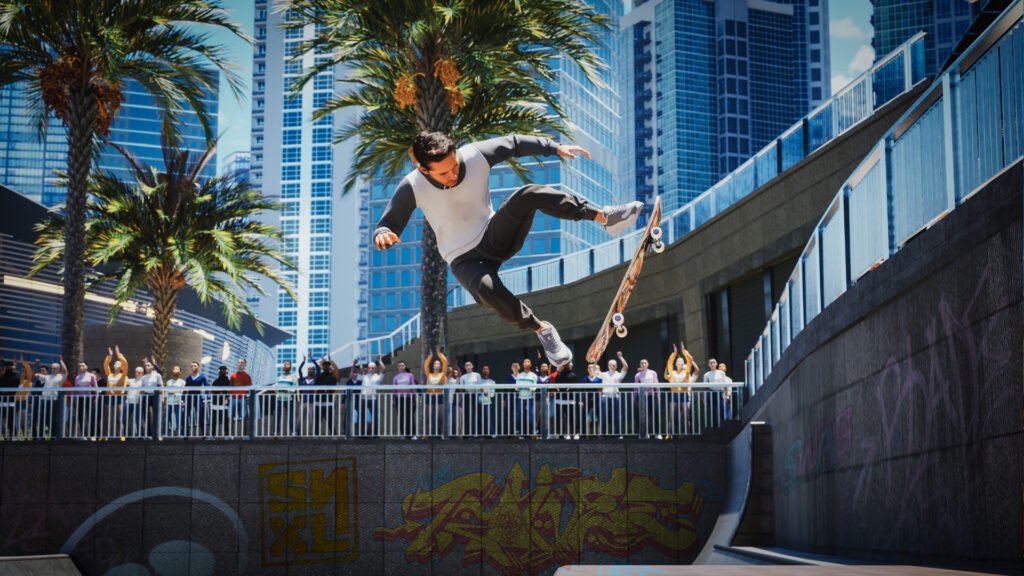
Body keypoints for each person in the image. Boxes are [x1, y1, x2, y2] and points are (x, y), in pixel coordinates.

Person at [373, 132, 644, 370]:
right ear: (423, 170)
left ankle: (606, 218)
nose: (454, 175)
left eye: (455, 166)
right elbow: (387, 223)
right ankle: (542, 329)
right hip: (463, 260)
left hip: (494, 235)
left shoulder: (475, 155)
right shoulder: (412, 186)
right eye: (444, 173)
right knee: (486, 289)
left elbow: (513, 143)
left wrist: (553, 147)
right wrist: (383, 235)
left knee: (528, 194)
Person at [665, 342, 699, 436]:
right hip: (674, 395)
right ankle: (669, 435)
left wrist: (684, 351)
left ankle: (688, 434)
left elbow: (689, 360)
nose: (679, 361)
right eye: (678, 361)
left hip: (684, 394)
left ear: (683, 363)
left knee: (686, 417)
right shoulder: (672, 372)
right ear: (676, 363)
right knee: (671, 417)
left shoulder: (687, 371)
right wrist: (675, 353)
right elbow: (669, 362)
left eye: (681, 361)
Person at [599, 352, 628, 438]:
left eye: (614, 365)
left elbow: (626, 367)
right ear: (608, 365)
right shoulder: (604, 374)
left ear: (616, 366)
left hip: (615, 396)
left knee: (617, 415)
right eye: (611, 365)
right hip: (605, 396)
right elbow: (594, 371)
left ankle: (618, 434)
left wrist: (620, 357)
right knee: (603, 415)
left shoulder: (619, 374)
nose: (612, 366)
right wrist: (596, 360)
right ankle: (603, 434)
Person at [103, 346, 129, 438]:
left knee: (119, 417)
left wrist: (118, 354)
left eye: (118, 363)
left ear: (121, 366)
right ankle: (104, 435)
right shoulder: (110, 374)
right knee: (106, 417)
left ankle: (121, 436)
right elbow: (106, 365)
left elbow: (125, 364)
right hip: (109, 397)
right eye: (115, 363)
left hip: (119, 397)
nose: (116, 364)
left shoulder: (123, 375)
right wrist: (110, 356)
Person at [422, 348, 448, 436]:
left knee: (440, 418)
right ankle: (425, 436)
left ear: (440, 366)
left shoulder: (443, 374)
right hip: (429, 396)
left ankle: (443, 435)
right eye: (435, 363)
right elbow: (425, 365)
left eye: (438, 363)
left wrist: (439, 354)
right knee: (427, 418)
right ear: (433, 366)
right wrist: (430, 356)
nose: (436, 364)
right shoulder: (429, 374)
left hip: (439, 395)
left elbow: (445, 363)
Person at [634, 358, 662, 438]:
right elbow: (635, 388)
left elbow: (657, 384)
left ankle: (657, 433)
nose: (643, 364)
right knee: (642, 415)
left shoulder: (653, 373)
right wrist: (635, 398)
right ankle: (644, 433)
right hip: (642, 397)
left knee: (655, 414)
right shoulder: (637, 375)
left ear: (647, 364)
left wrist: (658, 396)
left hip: (652, 395)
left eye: (645, 363)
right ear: (640, 365)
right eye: (642, 363)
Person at [391, 360, 418, 438]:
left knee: (409, 416)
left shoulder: (410, 375)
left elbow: (413, 386)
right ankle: (403, 434)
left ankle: (412, 434)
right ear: (398, 367)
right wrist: (394, 401)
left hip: (409, 398)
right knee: (401, 416)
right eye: (399, 366)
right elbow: (394, 390)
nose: (401, 367)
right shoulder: (395, 377)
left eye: (402, 365)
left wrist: (415, 398)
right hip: (399, 399)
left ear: (405, 366)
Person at [515, 358, 539, 438]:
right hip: (520, 398)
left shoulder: (534, 375)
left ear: (531, 364)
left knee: (531, 415)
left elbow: (534, 388)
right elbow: (516, 387)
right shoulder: (519, 375)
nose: (526, 363)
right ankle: (518, 431)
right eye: (525, 361)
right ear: (523, 364)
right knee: (519, 415)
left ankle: (535, 431)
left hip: (530, 398)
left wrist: (529, 388)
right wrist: (524, 387)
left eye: (528, 361)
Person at [184, 362, 209, 435]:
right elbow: (185, 390)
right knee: (186, 416)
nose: (193, 367)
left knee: (200, 416)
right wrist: (182, 399)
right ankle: (186, 435)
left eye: (194, 366)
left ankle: (204, 434)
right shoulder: (188, 378)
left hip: (198, 399)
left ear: (198, 367)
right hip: (189, 399)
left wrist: (206, 398)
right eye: (191, 366)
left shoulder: (202, 377)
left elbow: (207, 387)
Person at [458, 361, 481, 436]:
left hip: (475, 395)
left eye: (469, 365)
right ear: (464, 367)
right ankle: (467, 434)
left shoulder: (477, 375)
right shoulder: (463, 377)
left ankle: (476, 433)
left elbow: (479, 385)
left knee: (476, 414)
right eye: (466, 365)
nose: (467, 366)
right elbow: (461, 388)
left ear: (472, 366)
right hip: (467, 396)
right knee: (467, 415)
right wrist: (461, 400)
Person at [164, 366, 186, 436]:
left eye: (177, 369)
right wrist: (176, 391)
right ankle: (165, 433)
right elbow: (167, 391)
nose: (175, 370)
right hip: (169, 403)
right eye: (174, 369)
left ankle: (181, 434)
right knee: (166, 419)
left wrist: (182, 400)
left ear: (180, 372)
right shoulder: (169, 382)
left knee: (179, 419)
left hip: (178, 403)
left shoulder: (182, 382)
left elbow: (183, 392)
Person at [229, 359, 252, 425]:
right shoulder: (233, 376)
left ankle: (244, 435)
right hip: (233, 398)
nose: (240, 364)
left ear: (245, 364)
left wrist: (247, 398)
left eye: (242, 362)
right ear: (237, 364)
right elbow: (230, 387)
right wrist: (227, 397)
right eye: (239, 362)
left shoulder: (247, 376)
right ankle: (231, 435)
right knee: (230, 417)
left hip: (242, 398)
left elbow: (249, 388)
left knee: (244, 418)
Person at [476, 365, 496, 438]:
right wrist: (480, 390)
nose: (485, 370)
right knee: (479, 419)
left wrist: (486, 392)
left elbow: (492, 394)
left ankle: (492, 434)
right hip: (479, 403)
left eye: (487, 369)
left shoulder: (492, 382)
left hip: (488, 403)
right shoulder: (479, 381)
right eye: (484, 369)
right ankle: (480, 434)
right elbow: (476, 391)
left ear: (489, 371)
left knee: (489, 419)